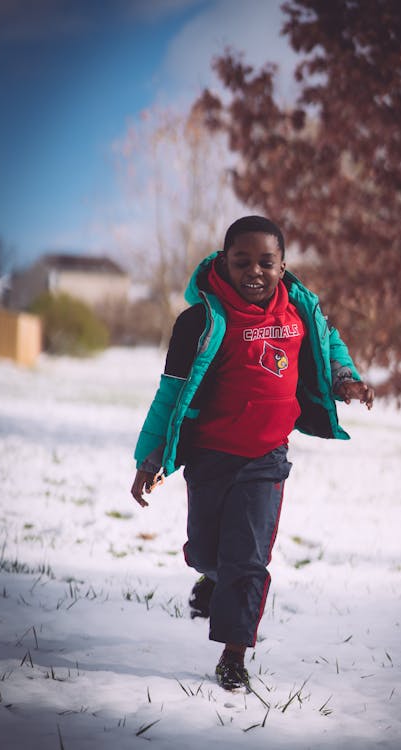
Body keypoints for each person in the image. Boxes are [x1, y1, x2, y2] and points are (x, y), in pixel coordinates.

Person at [131, 215, 374, 691]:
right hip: (209, 456)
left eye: (267, 262)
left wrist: (345, 378)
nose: (255, 272)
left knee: (248, 559)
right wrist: (150, 458)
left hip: (266, 458)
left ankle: (234, 654)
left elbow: (330, 345)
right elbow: (169, 397)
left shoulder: (300, 311)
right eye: (242, 261)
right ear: (223, 261)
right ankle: (211, 578)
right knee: (206, 551)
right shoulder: (199, 322)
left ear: (283, 266)